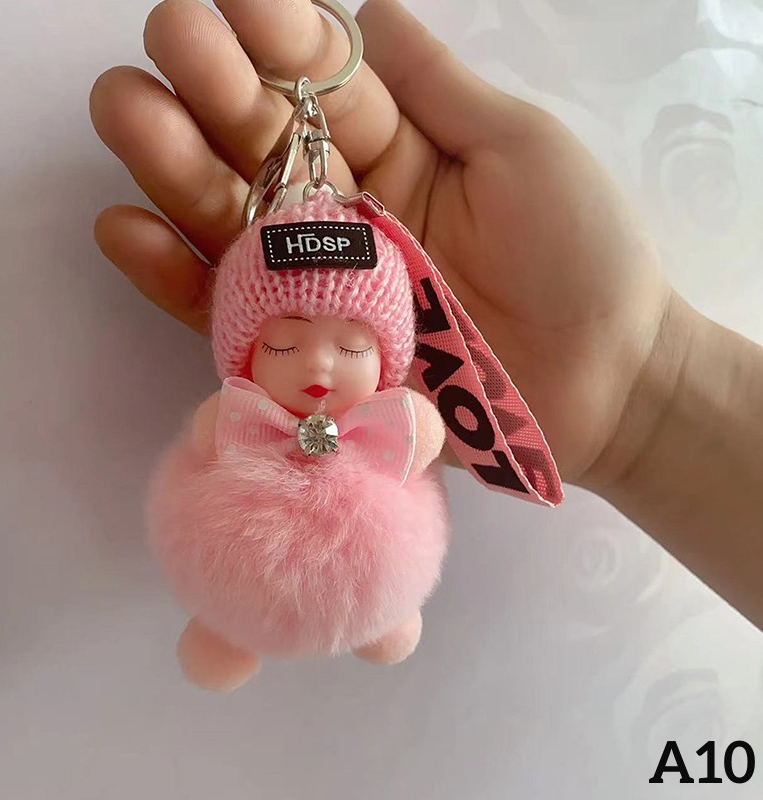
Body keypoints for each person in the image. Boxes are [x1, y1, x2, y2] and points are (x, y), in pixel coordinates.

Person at [90, 0, 763, 632]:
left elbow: (420, 434)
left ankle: (389, 620)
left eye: (354, 347)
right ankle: (225, 633)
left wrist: (646, 385)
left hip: (380, 543)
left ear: (393, 355)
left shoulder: (395, 416)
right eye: (284, 346)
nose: (320, 364)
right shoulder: (244, 422)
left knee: (396, 568)